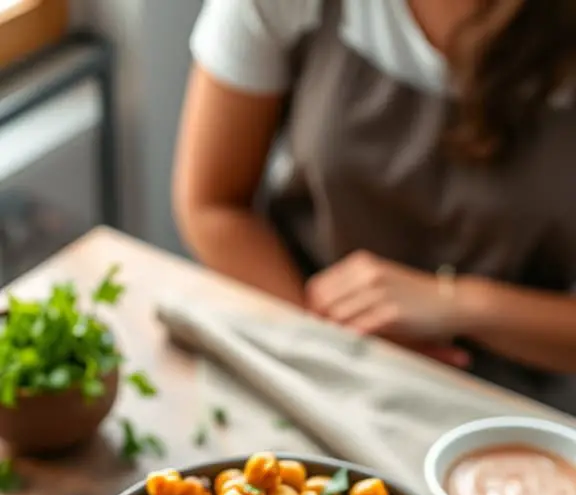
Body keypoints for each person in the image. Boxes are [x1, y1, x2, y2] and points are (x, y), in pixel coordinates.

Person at [173, 0, 576, 411]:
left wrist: (462, 304)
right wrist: (333, 339)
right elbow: (214, 206)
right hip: (303, 346)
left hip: (519, 401)